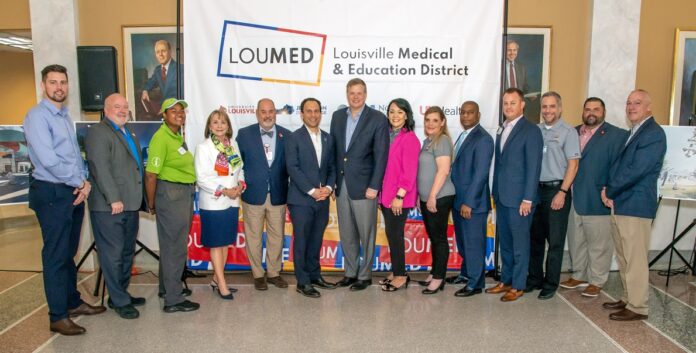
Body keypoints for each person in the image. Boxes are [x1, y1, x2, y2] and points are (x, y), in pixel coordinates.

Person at [24, 64, 106, 336]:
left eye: (62, 82)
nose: (59, 87)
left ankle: (71, 302)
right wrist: (80, 183)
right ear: (43, 85)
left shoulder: (62, 116)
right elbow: (48, 161)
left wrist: (82, 183)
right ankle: (57, 315)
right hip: (51, 193)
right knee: (56, 255)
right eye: (53, 82)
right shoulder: (37, 117)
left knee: (68, 252)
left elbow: (73, 156)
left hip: (70, 191)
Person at [602, 89, 666, 321]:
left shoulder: (653, 133)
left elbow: (636, 170)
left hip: (636, 205)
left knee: (635, 258)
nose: (631, 107)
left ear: (649, 107)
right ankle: (629, 298)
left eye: (637, 103)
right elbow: (620, 167)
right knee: (624, 256)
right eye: (629, 102)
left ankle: (638, 307)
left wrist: (610, 189)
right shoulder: (635, 131)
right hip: (621, 203)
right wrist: (609, 191)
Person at [84, 93, 146, 319]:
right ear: (106, 109)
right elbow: (100, 167)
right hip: (110, 206)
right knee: (113, 254)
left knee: (127, 252)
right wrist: (113, 198)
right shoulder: (98, 132)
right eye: (117, 106)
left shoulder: (128, 132)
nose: (122, 110)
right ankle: (119, 300)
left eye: (125, 107)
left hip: (130, 203)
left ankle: (120, 294)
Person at [560, 97, 628, 297]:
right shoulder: (572, 132)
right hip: (572, 197)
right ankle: (579, 275)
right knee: (576, 240)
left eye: (596, 109)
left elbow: (619, 167)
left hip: (598, 197)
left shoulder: (617, 135)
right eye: (588, 109)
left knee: (599, 244)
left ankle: (597, 280)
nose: (591, 113)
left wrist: (609, 189)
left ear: (603, 112)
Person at [330, 78, 389, 291]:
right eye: (352, 93)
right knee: (347, 232)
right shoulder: (337, 117)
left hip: (366, 187)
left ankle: (365, 275)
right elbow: (334, 152)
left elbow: (381, 155)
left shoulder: (377, 119)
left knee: (367, 233)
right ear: (347, 94)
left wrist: (375, 185)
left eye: (360, 93)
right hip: (342, 183)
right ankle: (350, 272)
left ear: (365, 94)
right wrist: (332, 183)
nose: (355, 97)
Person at [487, 87, 543, 302]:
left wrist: (527, 198)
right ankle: (506, 280)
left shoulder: (531, 131)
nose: (508, 107)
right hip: (503, 197)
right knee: (507, 244)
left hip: (521, 200)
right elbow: (499, 165)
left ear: (522, 105)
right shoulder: (502, 129)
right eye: (505, 103)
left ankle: (518, 285)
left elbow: (533, 167)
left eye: (512, 103)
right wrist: (495, 193)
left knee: (520, 245)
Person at [145, 98, 199, 313]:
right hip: (171, 193)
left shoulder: (176, 136)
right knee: (175, 246)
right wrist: (152, 203)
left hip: (180, 193)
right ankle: (173, 299)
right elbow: (151, 174)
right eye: (173, 111)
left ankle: (166, 288)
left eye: (182, 111)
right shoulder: (161, 138)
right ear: (163, 115)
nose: (179, 114)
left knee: (171, 244)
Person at [526, 92, 580, 300]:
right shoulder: (536, 130)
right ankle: (535, 279)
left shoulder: (568, 132)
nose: (548, 110)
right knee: (535, 239)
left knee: (555, 242)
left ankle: (550, 283)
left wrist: (562, 192)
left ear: (560, 108)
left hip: (556, 190)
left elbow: (573, 165)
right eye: (544, 107)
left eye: (552, 106)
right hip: (536, 191)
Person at [236, 98, 291, 290]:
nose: (267, 115)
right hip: (253, 194)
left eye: (271, 111)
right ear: (257, 113)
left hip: (278, 194)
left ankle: (274, 273)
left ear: (275, 113)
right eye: (263, 111)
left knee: (277, 236)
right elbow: (237, 164)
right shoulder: (244, 135)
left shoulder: (287, 135)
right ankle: (258, 274)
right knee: (253, 236)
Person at [285, 98, 337, 298]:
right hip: (301, 200)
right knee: (302, 240)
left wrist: (329, 188)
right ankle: (303, 281)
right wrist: (312, 191)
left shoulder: (328, 138)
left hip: (323, 199)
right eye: (309, 111)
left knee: (316, 239)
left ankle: (315, 276)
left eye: (316, 111)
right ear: (302, 114)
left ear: (320, 113)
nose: (313, 114)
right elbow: (293, 168)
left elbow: (332, 167)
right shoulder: (293, 138)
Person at [194, 108, 244, 300]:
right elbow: (202, 178)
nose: (219, 125)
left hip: (232, 201)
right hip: (214, 202)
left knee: (225, 242)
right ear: (209, 126)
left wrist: (239, 186)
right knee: (216, 244)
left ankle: (216, 279)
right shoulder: (204, 147)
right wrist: (224, 190)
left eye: (223, 122)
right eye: (215, 122)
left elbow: (239, 170)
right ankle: (222, 284)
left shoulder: (233, 146)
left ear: (228, 126)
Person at [450, 101, 494, 297]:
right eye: (463, 113)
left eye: (470, 113)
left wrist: (469, 201)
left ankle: (476, 283)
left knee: (473, 243)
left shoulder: (483, 139)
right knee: (463, 241)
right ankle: (467, 273)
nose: (466, 116)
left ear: (478, 114)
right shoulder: (464, 135)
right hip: (459, 200)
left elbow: (481, 174)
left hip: (472, 204)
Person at [378, 98, 420, 292]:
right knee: (391, 234)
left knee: (395, 236)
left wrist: (400, 196)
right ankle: (396, 272)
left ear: (407, 115)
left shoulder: (409, 138)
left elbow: (409, 172)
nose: (395, 116)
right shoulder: (387, 135)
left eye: (400, 112)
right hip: (386, 196)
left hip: (399, 198)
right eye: (392, 111)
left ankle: (401, 276)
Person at [417, 106, 456, 295]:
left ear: (442, 122)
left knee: (439, 239)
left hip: (440, 196)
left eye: (434, 120)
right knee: (434, 237)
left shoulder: (442, 141)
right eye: (427, 120)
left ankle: (439, 278)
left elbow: (443, 170)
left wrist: (431, 196)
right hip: (427, 198)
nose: (430, 123)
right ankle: (434, 272)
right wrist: (421, 196)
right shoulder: (427, 141)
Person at [141, 39, 184, 110]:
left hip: (176, 110)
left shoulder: (181, 69)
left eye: (163, 51)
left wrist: (167, 107)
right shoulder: (157, 70)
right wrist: (145, 90)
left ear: (170, 52)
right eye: (158, 52)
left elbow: (182, 94)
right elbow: (151, 82)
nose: (160, 54)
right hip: (163, 110)